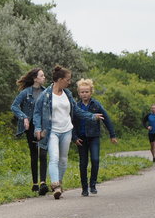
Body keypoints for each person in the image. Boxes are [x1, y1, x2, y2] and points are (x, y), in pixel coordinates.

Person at [32, 65, 103, 199]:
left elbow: (76, 111)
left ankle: (59, 181)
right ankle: (55, 185)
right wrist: (37, 128)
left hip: (67, 130)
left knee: (63, 160)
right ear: (60, 79)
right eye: (67, 79)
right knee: (54, 158)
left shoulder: (68, 94)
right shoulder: (45, 95)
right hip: (52, 130)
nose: (69, 82)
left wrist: (91, 116)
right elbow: (36, 113)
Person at [73, 79, 118, 196]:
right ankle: (84, 188)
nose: (84, 94)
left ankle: (92, 184)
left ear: (91, 92)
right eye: (82, 92)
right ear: (79, 93)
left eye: (87, 92)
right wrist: (74, 137)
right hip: (81, 138)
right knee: (83, 163)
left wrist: (112, 135)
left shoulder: (96, 105)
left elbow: (106, 119)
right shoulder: (76, 106)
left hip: (94, 137)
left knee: (95, 160)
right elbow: (71, 123)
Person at [11, 68, 48, 194]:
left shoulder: (46, 92)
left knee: (43, 153)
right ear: (35, 78)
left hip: (43, 126)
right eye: (42, 76)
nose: (44, 78)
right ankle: (35, 183)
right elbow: (14, 106)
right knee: (34, 154)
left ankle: (43, 183)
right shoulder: (26, 93)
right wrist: (24, 117)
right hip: (30, 127)